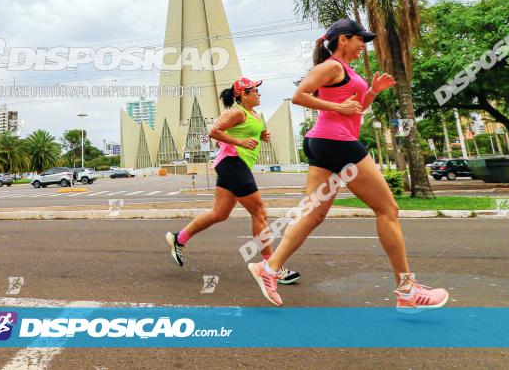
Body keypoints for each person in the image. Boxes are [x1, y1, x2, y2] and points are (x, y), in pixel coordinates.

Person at [248, 19, 448, 313]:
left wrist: (372, 93)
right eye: (359, 39)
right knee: (388, 209)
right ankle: (406, 290)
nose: (362, 45)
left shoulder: (346, 71)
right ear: (343, 39)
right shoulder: (332, 66)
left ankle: (271, 267)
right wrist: (338, 107)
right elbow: (299, 96)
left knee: (313, 214)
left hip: (326, 142)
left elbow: (355, 111)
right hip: (336, 143)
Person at [165, 78, 301, 285]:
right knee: (259, 212)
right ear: (242, 95)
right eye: (254, 91)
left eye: (257, 90)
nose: (259, 94)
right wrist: (240, 142)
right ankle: (270, 267)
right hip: (232, 162)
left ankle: (179, 238)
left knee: (220, 213)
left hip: (235, 164)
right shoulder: (236, 111)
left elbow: (244, 132)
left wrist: (261, 135)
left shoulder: (252, 114)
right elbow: (213, 131)